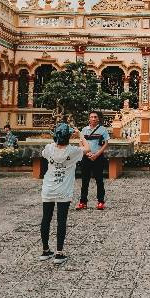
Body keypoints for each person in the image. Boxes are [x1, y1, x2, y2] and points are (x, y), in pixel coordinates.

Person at [39, 123, 89, 265]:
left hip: (48, 188)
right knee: (61, 220)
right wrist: (79, 134)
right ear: (69, 137)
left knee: (46, 219)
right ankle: (59, 253)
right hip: (63, 190)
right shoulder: (72, 151)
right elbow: (87, 148)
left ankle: (45, 250)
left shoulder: (49, 148)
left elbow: (48, 150)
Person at [76, 111, 110, 211]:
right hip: (86, 157)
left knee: (99, 180)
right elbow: (81, 143)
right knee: (84, 180)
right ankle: (83, 202)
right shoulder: (84, 130)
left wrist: (97, 154)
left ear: (98, 119)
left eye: (95, 117)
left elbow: (106, 143)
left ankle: (100, 202)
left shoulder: (103, 130)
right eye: (91, 117)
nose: (93, 119)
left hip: (98, 157)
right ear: (89, 119)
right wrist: (87, 153)